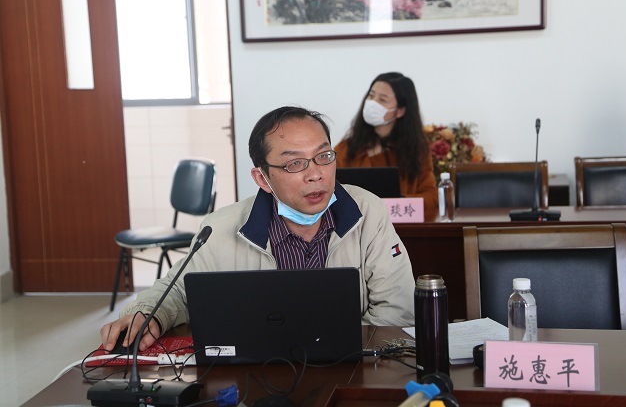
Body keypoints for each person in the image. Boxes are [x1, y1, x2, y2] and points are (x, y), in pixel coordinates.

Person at [101, 106, 415, 352]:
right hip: (258, 372)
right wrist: (148, 313)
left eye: (323, 156)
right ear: (262, 178)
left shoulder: (367, 212)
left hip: (349, 367)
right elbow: (179, 291)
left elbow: (398, 308)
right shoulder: (221, 229)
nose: (316, 174)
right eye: (295, 163)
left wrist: (341, 351)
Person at [334, 72, 438, 221]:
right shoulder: (346, 148)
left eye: (382, 99)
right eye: (371, 96)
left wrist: (399, 202)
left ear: (400, 111)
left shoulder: (416, 150)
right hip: (356, 228)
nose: (373, 103)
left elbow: (432, 197)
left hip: (401, 228)